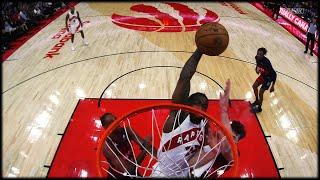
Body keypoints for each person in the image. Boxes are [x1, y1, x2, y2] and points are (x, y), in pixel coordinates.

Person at [150, 48, 246, 177]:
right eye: (196, 104)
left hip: (183, 174)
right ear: (187, 106)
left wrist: (212, 152)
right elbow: (184, 78)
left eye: (204, 106)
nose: (200, 108)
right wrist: (199, 51)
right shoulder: (177, 118)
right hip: (162, 174)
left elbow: (200, 156)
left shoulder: (204, 126)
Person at [100, 113, 157, 178]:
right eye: (111, 122)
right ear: (105, 127)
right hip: (119, 175)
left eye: (115, 119)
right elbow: (128, 171)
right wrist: (145, 150)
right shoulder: (107, 146)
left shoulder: (127, 130)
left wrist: (160, 158)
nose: (116, 122)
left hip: (133, 168)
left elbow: (147, 146)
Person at [251, 48, 277, 113]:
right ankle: (257, 100)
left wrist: (272, 86)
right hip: (263, 76)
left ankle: (259, 108)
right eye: (258, 53)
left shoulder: (267, 62)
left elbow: (274, 74)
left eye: (260, 54)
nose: (258, 55)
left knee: (261, 92)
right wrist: (256, 68)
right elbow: (258, 64)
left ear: (264, 55)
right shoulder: (257, 58)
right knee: (254, 86)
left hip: (268, 78)